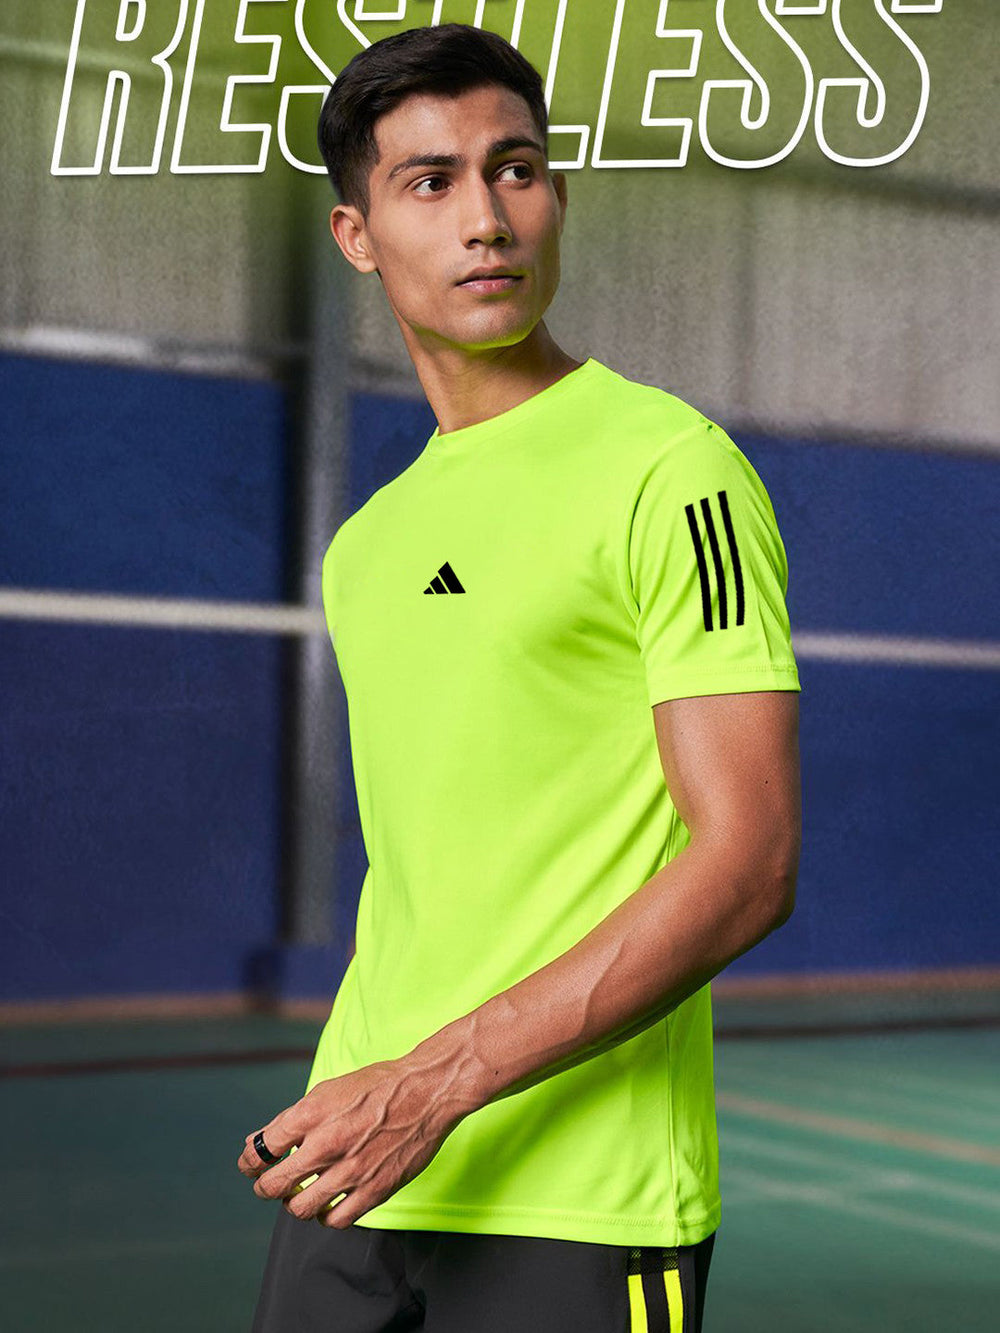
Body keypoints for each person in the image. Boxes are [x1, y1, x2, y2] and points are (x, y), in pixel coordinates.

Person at [239, 21, 802, 1333]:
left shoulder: (674, 472)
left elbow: (752, 859)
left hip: (582, 1202)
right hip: (359, 1176)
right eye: (430, 182)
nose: (486, 218)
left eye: (518, 168)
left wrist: (435, 1084)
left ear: (556, 197)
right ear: (358, 235)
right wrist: (383, 1097)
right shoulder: (367, 543)